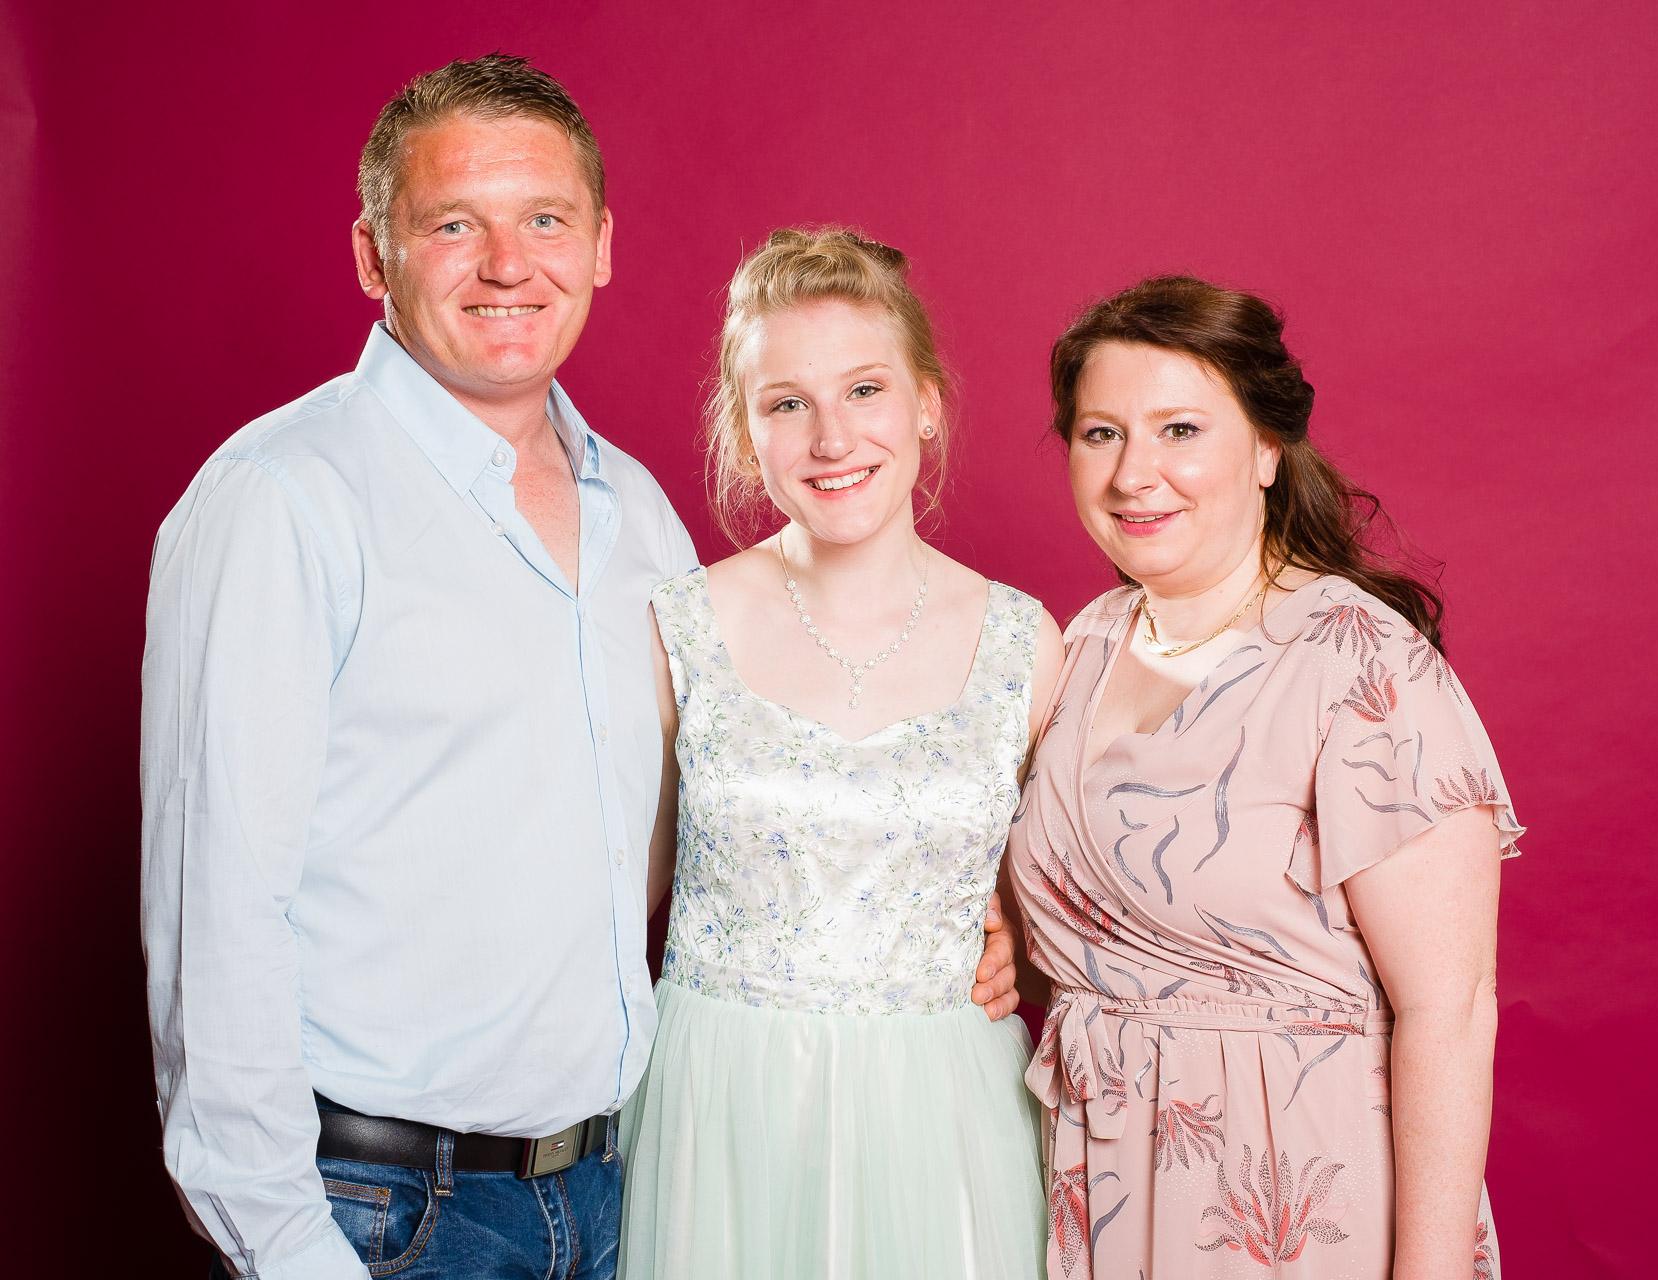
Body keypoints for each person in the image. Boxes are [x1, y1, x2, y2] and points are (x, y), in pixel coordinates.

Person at [138, 57, 1022, 1279]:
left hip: (618, 1190)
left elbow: (705, 826)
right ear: (373, 256)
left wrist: (948, 907)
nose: (510, 264)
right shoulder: (283, 499)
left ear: (601, 246)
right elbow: (216, 909)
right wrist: (289, 1247)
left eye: (546, 220)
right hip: (385, 1212)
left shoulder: (639, 520)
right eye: (455, 224)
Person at [1010, 276, 1524, 1279]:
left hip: (1289, 1199)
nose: (1134, 474)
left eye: (1180, 430)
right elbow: (1096, 933)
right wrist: (998, 945)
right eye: (1102, 433)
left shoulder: (1358, 663)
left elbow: (1451, 1009)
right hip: (1102, 1181)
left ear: (1267, 449)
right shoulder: (1088, 642)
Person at [615, 228, 1062, 1279]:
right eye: (787, 404)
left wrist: (1019, 941)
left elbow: (1071, 901)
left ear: (926, 404)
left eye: (865, 390)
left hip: (944, 1121)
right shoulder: (676, 626)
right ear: (745, 431)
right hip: (721, 1114)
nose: (832, 438)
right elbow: (610, 896)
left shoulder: (1025, 643)